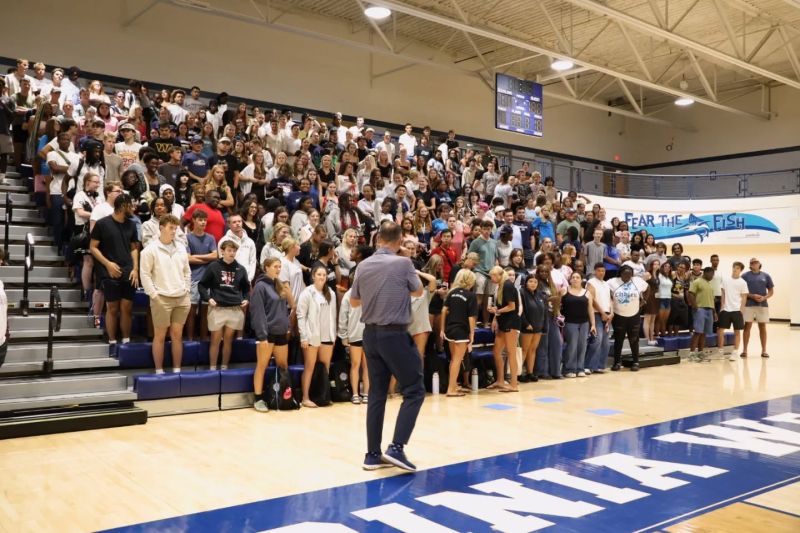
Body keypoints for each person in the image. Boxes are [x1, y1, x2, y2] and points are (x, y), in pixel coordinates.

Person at [350, 222, 425, 472]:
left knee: (377, 394)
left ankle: (372, 455)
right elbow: (418, 291)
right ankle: (396, 448)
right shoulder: (403, 263)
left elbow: (354, 301)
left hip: (370, 335)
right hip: (394, 334)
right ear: (400, 240)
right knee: (414, 390)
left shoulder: (363, 265)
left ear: (378, 239)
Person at [139, 214, 191, 374]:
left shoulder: (181, 247)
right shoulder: (149, 250)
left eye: (176, 228)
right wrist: (154, 295)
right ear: (161, 228)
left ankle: (177, 371)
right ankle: (159, 371)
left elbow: (187, 271)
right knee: (160, 336)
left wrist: (187, 290)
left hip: (181, 298)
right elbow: (145, 275)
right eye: (171, 228)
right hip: (161, 298)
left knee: (177, 335)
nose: (174, 231)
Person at [89, 194, 139, 347]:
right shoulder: (102, 224)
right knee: (112, 308)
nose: (133, 208)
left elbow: (134, 248)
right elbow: (93, 247)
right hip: (109, 271)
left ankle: (126, 340)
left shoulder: (132, 225)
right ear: (123, 206)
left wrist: (135, 268)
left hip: (128, 270)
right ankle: (111, 341)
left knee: (127, 308)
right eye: (130, 205)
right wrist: (107, 264)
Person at [198, 240, 250, 370]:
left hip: (234, 308)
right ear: (222, 251)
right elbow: (202, 285)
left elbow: (246, 287)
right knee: (215, 339)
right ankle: (212, 368)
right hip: (218, 308)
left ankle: (224, 367)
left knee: (228, 340)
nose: (232, 253)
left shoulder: (241, 269)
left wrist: (246, 298)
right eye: (229, 250)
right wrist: (208, 298)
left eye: (234, 251)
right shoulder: (214, 266)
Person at [250, 256, 292, 412]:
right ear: (266, 267)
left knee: (283, 366)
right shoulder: (260, 286)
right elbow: (258, 312)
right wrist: (262, 336)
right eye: (275, 266)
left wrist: (287, 326)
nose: (278, 269)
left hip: (281, 333)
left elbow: (284, 309)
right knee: (262, 365)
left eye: (280, 267)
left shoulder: (279, 285)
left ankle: (281, 397)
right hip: (267, 334)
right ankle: (258, 399)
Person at [297, 265, 337, 408]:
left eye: (324, 275)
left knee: (325, 368)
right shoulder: (307, 292)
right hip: (312, 336)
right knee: (309, 367)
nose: (322, 277)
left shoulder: (331, 292)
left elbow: (333, 315)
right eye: (319, 274)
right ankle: (305, 397)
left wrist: (334, 335)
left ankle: (322, 396)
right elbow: (301, 316)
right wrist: (304, 337)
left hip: (327, 336)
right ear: (313, 276)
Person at [440, 269, 478, 396]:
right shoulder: (471, 296)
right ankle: (451, 390)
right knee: (457, 359)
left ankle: (453, 385)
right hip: (461, 331)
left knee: (453, 360)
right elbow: (471, 318)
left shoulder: (452, 293)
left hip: (450, 329)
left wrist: (442, 329)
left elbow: (443, 311)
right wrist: (472, 333)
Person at [608, 265, 649, 371]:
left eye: (629, 275)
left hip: (634, 315)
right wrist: (610, 301)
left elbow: (648, 287)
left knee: (634, 340)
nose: (627, 277)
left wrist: (644, 300)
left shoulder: (637, 281)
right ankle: (617, 362)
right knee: (618, 340)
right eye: (625, 274)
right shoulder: (613, 282)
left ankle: (636, 362)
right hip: (618, 316)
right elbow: (604, 289)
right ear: (620, 274)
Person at [487, 266, 521, 392]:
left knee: (511, 353)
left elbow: (512, 307)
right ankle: (500, 381)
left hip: (511, 323)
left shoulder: (507, 286)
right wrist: (496, 312)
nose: (491, 278)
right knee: (496, 351)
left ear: (499, 275)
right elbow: (503, 306)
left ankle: (513, 384)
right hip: (503, 322)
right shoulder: (500, 286)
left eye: (492, 276)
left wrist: (497, 311)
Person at [186, 209, 217, 341]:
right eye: (200, 220)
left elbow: (215, 256)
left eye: (205, 220)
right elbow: (188, 258)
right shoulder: (187, 237)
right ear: (194, 220)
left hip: (207, 280)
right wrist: (206, 258)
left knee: (206, 311)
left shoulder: (210, 238)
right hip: (193, 278)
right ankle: (190, 340)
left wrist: (196, 256)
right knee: (191, 311)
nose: (203, 222)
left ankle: (204, 339)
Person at [562, 272, 597, 378]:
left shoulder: (587, 293)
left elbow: (590, 309)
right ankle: (569, 369)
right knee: (572, 346)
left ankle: (580, 368)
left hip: (584, 323)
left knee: (582, 346)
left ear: (581, 279)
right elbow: (557, 304)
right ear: (570, 279)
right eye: (573, 277)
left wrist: (593, 324)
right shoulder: (564, 290)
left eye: (577, 277)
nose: (575, 279)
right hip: (570, 322)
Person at [340, 286, 368, 404]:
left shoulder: (369, 291)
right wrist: (343, 335)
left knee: (365, 366)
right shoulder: (349, 294)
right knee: (356, 365)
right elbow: (343, 316)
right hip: (356, 334)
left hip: (367, 334)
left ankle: (365, 394)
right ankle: (356, 394)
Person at [741, 257, 774, 358]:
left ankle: (764, 350)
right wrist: (752, 296)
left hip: (762, 305)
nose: (754, 264)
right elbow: (741, 291)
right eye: (752, 263)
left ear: (759, 264)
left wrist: (764, 297)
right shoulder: (745, 276)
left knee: (762, 326)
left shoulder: (766, 276)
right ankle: (744, 350)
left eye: (756, 262)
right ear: (750, 265)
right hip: (748, 305)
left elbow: (771, 291)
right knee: (747, 326)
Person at [468, 220, 498, 324]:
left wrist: (496, 271)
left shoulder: (494, 242)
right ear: (481, 229)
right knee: (478, 300)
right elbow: (470, 257)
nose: (486, 231)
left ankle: (485, 323)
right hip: (479, 271)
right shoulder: (476, 242)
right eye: (484, 229)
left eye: (488, 229)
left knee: (488, 301)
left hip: (491, 274)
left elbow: (496, 258)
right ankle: (473, 323)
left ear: (491, 230)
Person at [718, 261, 748, 360]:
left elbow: (744, 297)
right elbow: (723, 293)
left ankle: (735, 352)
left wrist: (742, 310)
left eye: (738, 268)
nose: (735, 269)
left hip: (737, 310)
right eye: (734, 267)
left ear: (741, 270)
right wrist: (722, 306)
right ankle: (720, 351)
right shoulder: (726, 280)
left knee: (737, 332)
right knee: (720, 330)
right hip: (726, 309)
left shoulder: (743, 282)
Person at [519, 274, 546, 382]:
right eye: (530, 281)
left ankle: (530, 372)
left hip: (538, 326)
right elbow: (520, 311)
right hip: (527, 327)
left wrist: (544, 326)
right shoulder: (522, 293)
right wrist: (526, 323)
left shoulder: (540, 294)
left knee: (533, 350)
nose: (533, 284)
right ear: (526, 282)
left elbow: (544, 312)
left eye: (535, 282)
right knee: (524, 350)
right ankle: (518, 373)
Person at [585, 263, 612, 374]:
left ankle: (600, 365)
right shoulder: (591, 282)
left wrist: (611, 313)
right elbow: (592, 300)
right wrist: (602, 313)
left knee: (606, 343)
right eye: (599, 270)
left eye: (603, 271)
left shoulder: (606, 284)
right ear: (595, 271)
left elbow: (610, 300)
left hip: (607, 314)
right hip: (596, 314)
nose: (601, 273)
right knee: (597, 340)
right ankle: (588, 365)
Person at [688, 267, 717, 362]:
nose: (712, 276)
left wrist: (714, 312)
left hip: (709, 310)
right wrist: (695, 306)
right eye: (711, 274)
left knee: (704, 333)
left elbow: (711, 300)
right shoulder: (697, 282)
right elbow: (690, 294)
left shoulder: (709, 284)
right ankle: (691, 354)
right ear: (706, 273)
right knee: (698, 332)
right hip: (700, 309)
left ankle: (700, 353)